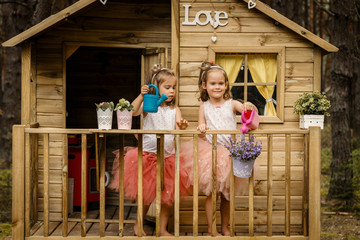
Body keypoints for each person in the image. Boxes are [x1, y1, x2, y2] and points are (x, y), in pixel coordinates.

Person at [108, 64, 190, 236]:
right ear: (157, 88)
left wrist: (182, 125)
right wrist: (142, 95)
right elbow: (131, 112)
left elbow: (180, 123)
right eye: (167, 87)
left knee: (168, 195)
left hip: (168, 157)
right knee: (145, 194)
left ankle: (162, 227)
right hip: (148, 156)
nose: (172, 91)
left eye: (174, 87)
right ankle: (139, 224)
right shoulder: (149, 106)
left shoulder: (174, 109)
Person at [182, 61, 258, 236]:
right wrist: (201, 128)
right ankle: (211, 228)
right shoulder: (204, 106)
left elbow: (245, 109)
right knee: (212, 194)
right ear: (204, 86)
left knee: (227, 195)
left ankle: (225, 227)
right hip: (211, 153)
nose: (217, 87)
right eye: (213, 84)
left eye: (221, 84)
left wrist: (246, 105)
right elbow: (201, 125)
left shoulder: (231, 104)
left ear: (226, 86)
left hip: (230, 154)